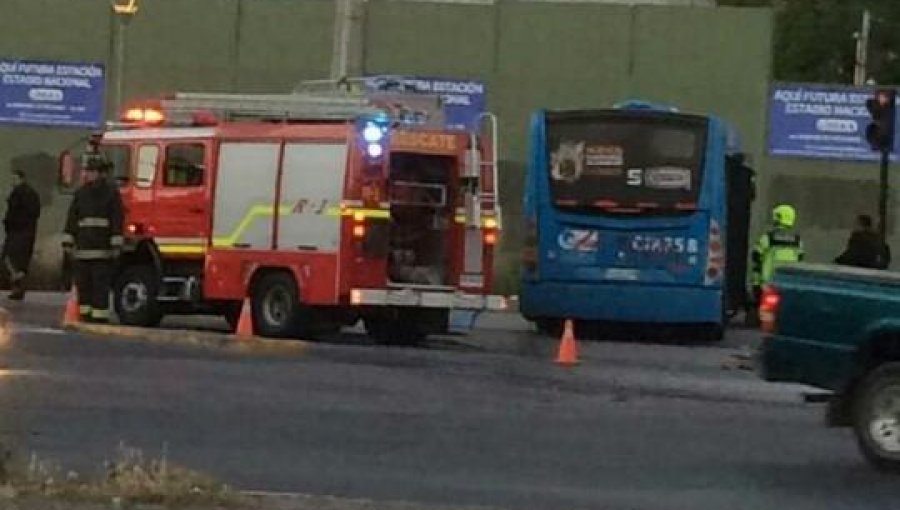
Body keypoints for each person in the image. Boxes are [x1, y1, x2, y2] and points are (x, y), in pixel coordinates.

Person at [62, 157, 123, 323]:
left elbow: (117, 219)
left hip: (102, 251)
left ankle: (100, 317)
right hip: (83, 250)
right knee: (84, 286)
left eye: (91, 172)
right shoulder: (81, 193)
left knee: (100, 287)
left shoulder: (110, 193)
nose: (88, 174)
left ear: (100, 174)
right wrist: (68, 242)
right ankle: (85, 314)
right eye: (87, 171)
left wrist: (116, 244)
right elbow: (72, 219)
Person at [751, 204, 804, 304]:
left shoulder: (768, 238)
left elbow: (756, 257)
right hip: (788, 286)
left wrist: (756, 284)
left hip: (768, 286)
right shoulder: (797, 241)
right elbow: (800, 260)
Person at [2, 169, 41, 300]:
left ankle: (17, 286)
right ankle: (18, 287)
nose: (13, 182)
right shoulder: (32, 194)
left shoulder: (18, 194)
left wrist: (9, 223)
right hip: (28, 233)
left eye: (14, 179)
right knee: (20, 262)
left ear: (21, 179)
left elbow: (13, 213)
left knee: (10, 259)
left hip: (17, 232)